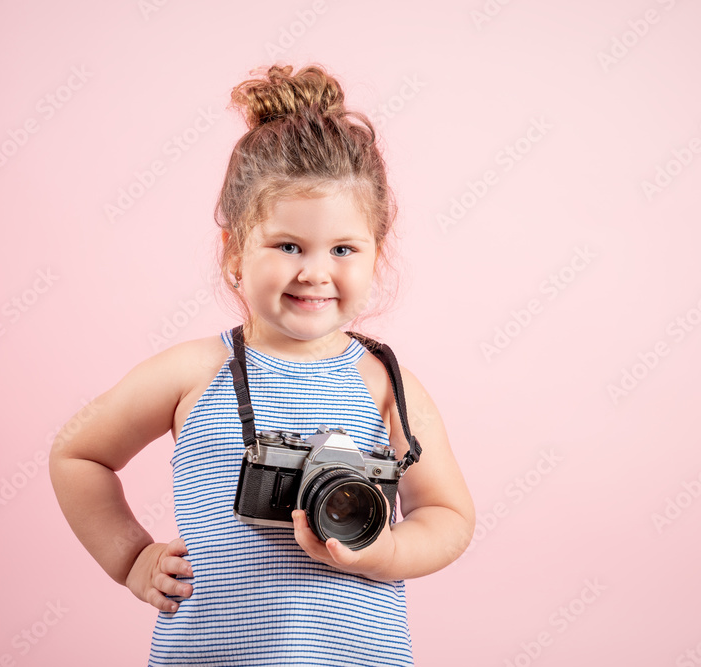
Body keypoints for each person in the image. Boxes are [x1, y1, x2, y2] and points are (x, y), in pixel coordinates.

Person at [49, 63, 475, 666]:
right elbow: (76, 452)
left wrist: (386, 553)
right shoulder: (193, 372)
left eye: (344, 249)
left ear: (379, 251)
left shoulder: (388, 386)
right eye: (288, 246)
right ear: (234, 250)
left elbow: (449, 514)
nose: (315, 271)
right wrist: (132, 558)